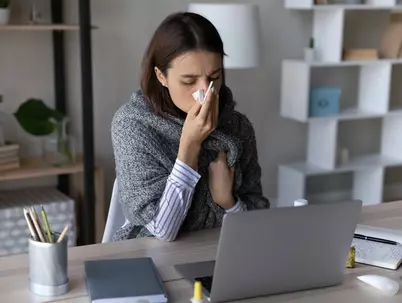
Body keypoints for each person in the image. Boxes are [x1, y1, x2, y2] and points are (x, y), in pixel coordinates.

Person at [111, 11, 269, 242]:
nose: (205, 92)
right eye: (189, 81)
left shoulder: (237, 127)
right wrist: (190, 145)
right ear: (161, 76)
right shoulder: (133, 126)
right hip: (153, 257)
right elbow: (162, 231)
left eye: (214, 77)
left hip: (221, 254)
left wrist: (228, 202)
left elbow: (257, 223)